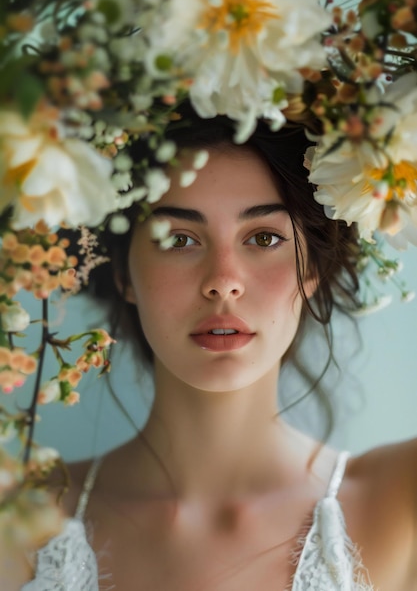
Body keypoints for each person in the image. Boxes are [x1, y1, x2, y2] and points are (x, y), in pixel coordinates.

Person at [7, 108, 417, 591]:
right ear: (123, 274)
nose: (223, 282)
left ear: (313, 271)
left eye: (264, 238)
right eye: (179, 239)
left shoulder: (402, 499)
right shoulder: (18, 520)